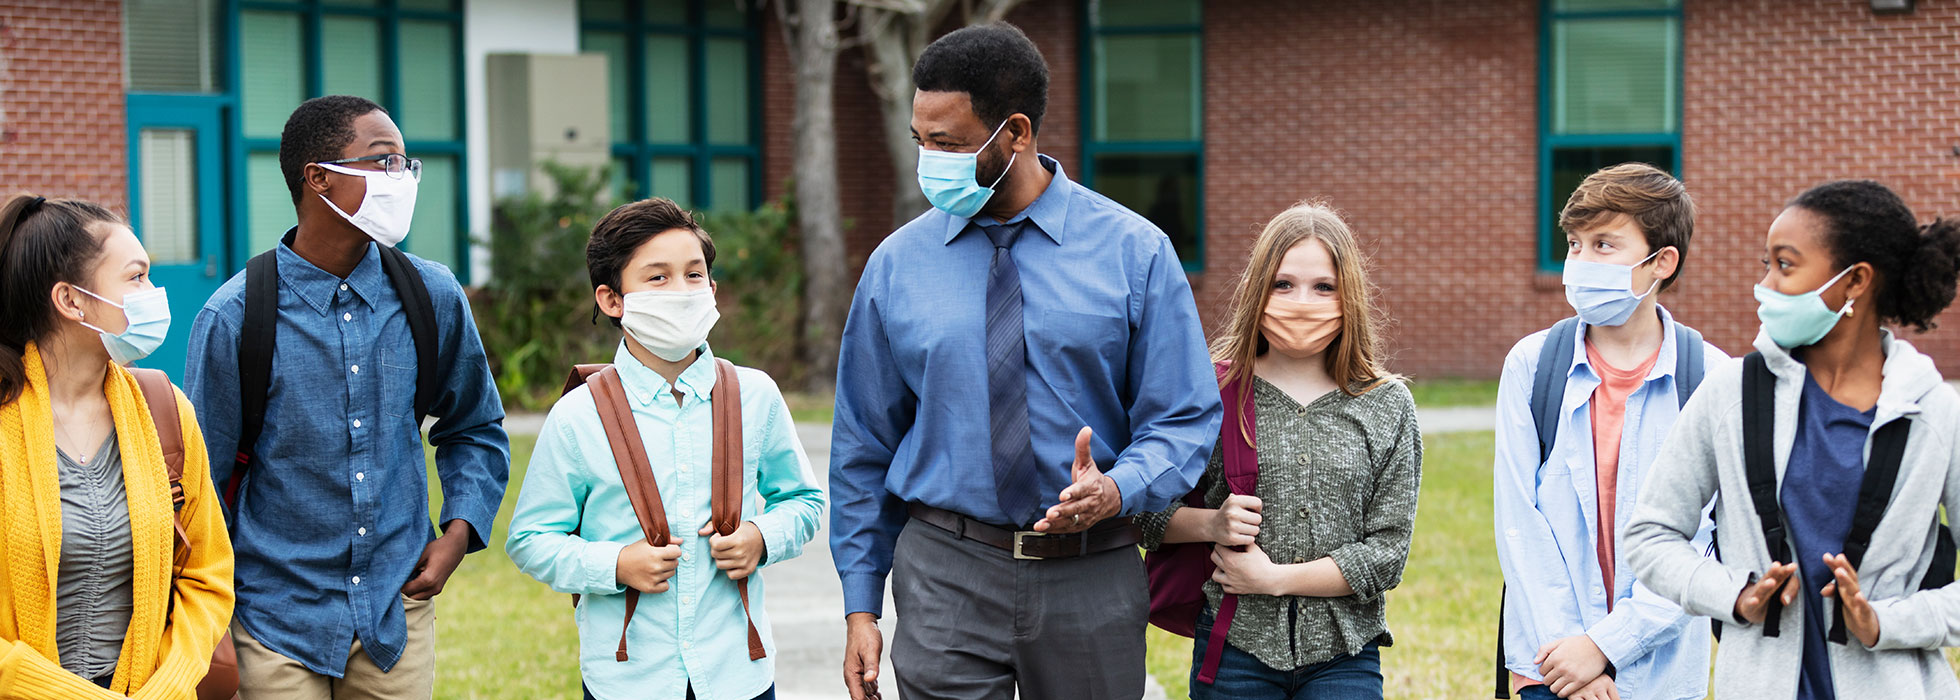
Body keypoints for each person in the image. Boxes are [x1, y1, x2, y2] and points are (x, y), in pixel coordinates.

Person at [828, 22, 1223, 700]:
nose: (929, 161)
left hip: (1090, 575)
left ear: (1015, 133)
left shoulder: (1136, 254)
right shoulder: (895, 266)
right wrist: (861, 605)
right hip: (944, 573)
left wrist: (1119, 488)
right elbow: (863, 445)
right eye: (919, 140)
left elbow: (1184, 417)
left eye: (947, 144)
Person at [184, 95, 510, 699]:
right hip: (272, 616)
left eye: (406, 166)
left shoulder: (432, 294)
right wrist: (209, 614)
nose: (402, 181)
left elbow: (474, 426)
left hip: (396, 610)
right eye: (384, 162)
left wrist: (459, 533)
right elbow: (201, 482)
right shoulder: (234, 317)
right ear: (318, 178)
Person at [1626, 180, 1960, 700]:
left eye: (1785, 265)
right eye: (1766, 265)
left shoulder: (1936, 414)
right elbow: (1649, 536)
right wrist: (1734, 594)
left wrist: (1885, 622)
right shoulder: (1730, 395)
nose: (1766, 286)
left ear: (1855, 282)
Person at [505, 198, 826, 700]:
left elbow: (805, 502)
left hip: (738, 672)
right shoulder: (578, 416)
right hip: (628, 679)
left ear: (713, 290)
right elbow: (531, 538)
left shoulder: (756, 395)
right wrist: (614, 565)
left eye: (694, 275)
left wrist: (761, 536)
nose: (681, 291)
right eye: (658, 278)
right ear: (612, 300)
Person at [1137, 201, 1422, 700]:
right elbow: (1147, 515)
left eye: (1323, 287)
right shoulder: (1212, 390)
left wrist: (1273, 578)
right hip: (1234, 651)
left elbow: (1386, 555)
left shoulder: (1387, 404)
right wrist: (1211, 525)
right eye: (1283, 284)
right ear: (1258, 291)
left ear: (1347, 296)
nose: (1302, 303)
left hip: (1345, 655)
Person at [1493, 163, 1724, 700]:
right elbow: (1518, 523)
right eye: (1575, 245)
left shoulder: (1712, 377)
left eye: (1604, 245)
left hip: (1660, 670)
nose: (1580, 262)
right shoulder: (1532, 365)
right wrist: (1571, 655)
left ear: (1661, 262)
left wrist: (1607, 646)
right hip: (1548, 667)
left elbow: (1700, 542)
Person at [0, 194, 234, 696]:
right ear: (71, 300)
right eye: (136, 277)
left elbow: (208, 575)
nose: (155, 292)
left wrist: (166, 688)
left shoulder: (165, 409)